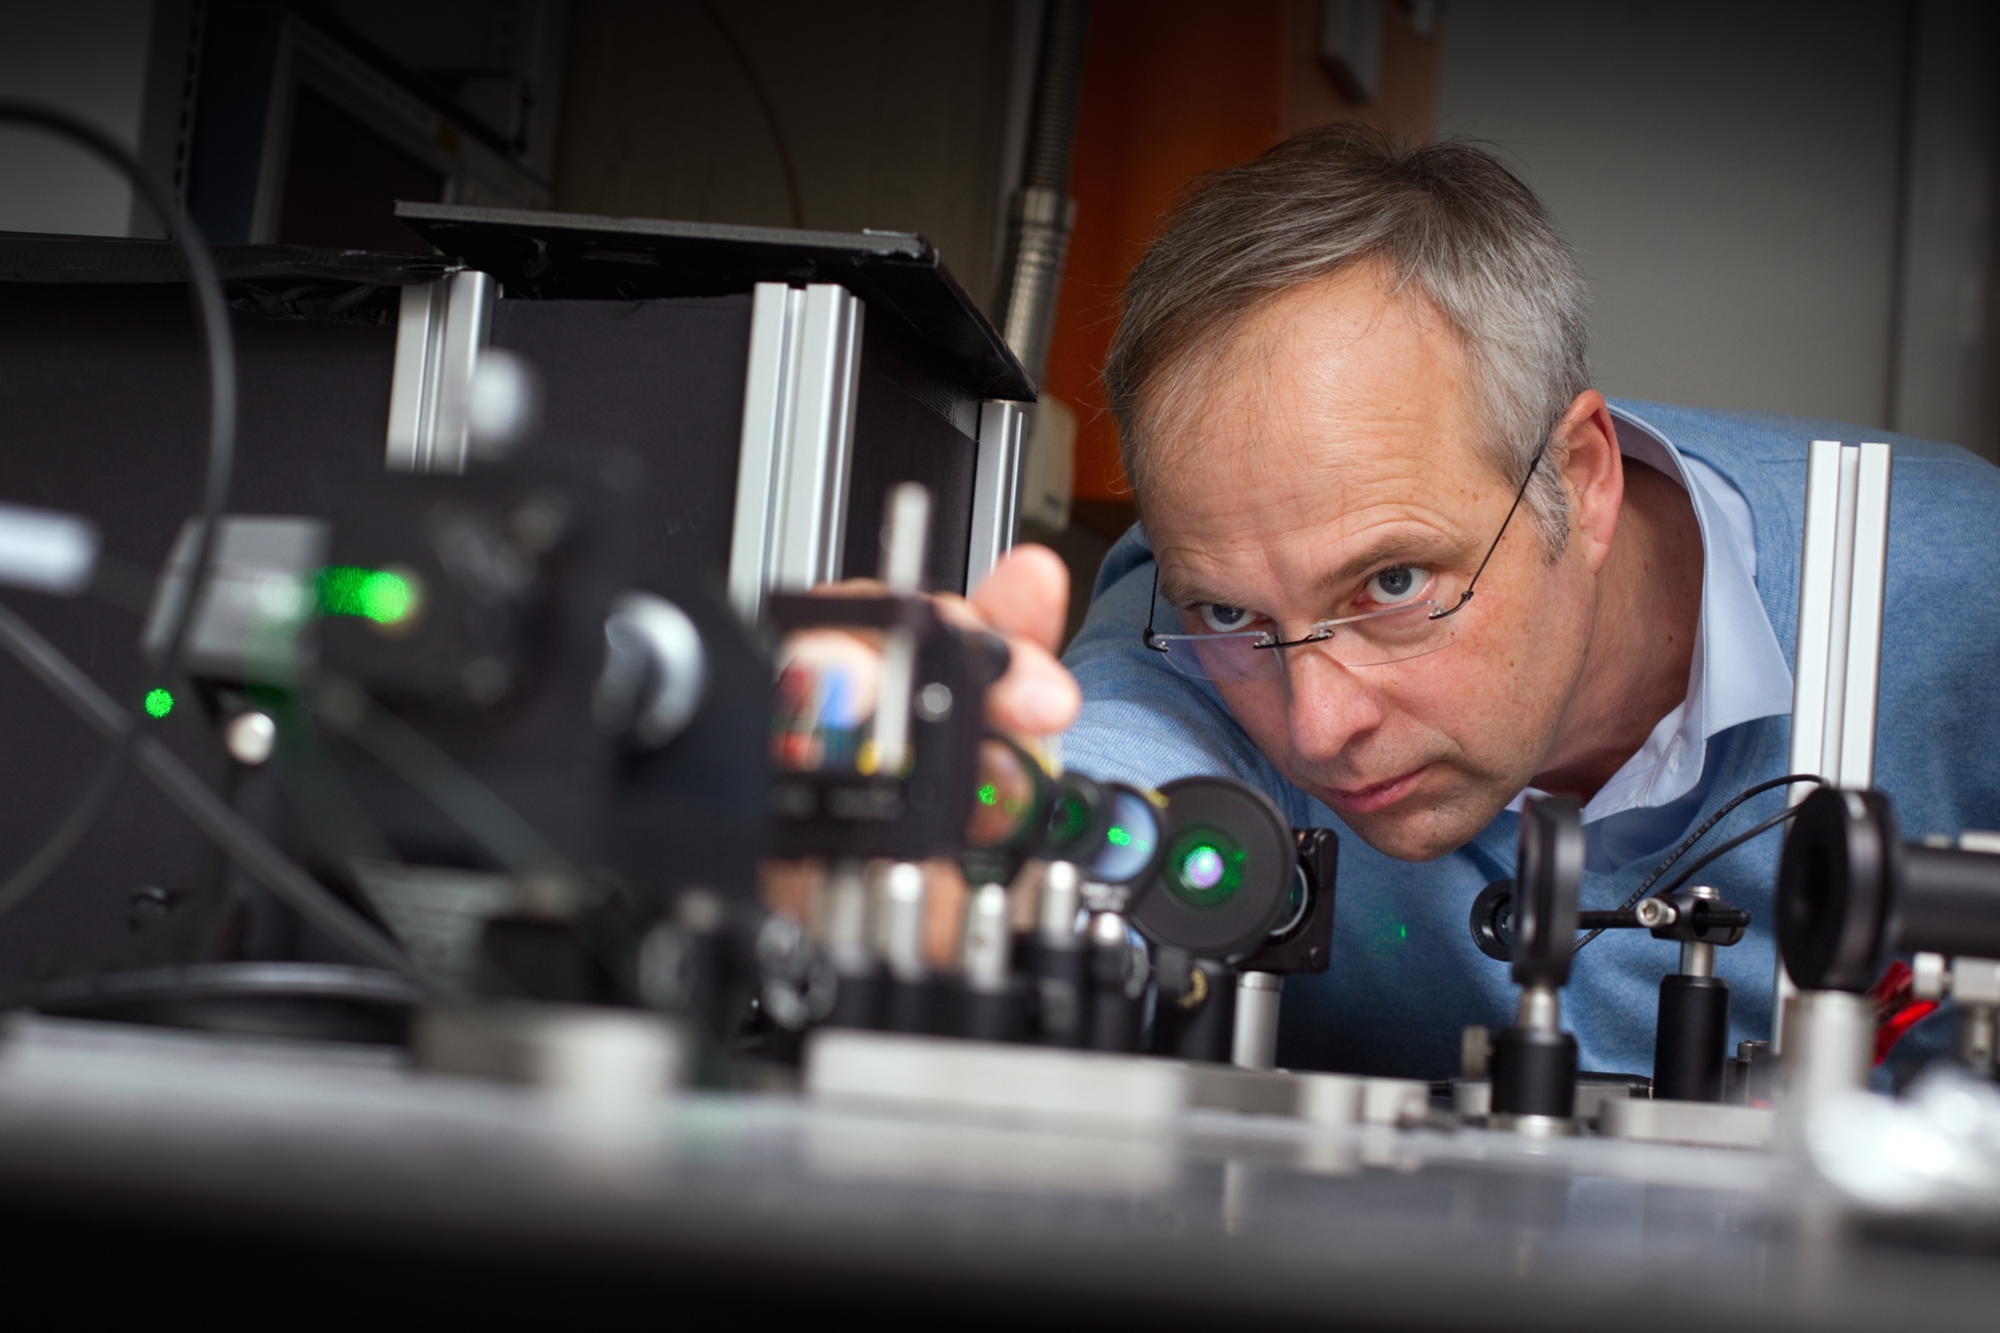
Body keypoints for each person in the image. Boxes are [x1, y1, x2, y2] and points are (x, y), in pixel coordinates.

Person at [953, 123, 2000, 1080]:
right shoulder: (1184, 610)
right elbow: (1104, 792)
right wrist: (957, 876)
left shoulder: (1964, 589)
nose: (1319, 729)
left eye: (1392, 584)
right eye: (1234, 617)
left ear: (1583, 479)